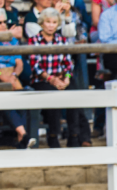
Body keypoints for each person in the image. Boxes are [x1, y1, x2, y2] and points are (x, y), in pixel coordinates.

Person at [28, 8, 89, 149]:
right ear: (42, 23)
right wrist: (51, 79)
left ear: (58, 24)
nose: (50, 25)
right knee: (53, 98)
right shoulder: (34, 40)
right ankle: (53, 135)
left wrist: (67, 78)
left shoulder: (62, 40)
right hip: (42, 80)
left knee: (73, 95)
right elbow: (35, 65)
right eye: (48, 22)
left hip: (61, 77)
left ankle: (74, 135)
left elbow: (68, 62)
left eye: (54, 22)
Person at [0, 6, 31, 148]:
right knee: (4, 97)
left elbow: (19, 63)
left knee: (24, 96)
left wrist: (13, 76)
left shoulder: (12, 40)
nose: (4, 25)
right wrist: (0, 76)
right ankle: (22, 133)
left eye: (5, 21)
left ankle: (21, 134)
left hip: (12, 75)